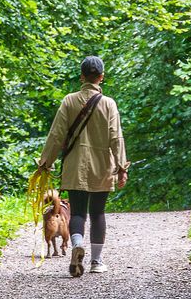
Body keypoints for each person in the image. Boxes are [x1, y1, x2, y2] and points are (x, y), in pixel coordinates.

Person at [37, 55, 128, 277]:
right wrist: (122, 167)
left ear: (81, 77)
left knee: (78, 212)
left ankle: (77, 245)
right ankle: (96, 261)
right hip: (102, 165)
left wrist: (45, 163)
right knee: (98, 213)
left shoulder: (69, 100)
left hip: (75, 164)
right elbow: (116, 138)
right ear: (101, 77)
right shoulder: (109, 104)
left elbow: (56, 135)